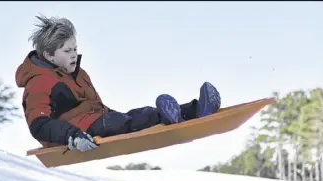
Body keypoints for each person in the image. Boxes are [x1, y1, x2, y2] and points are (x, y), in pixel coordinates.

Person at [15, 15, 221, 153]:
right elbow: (39, 125)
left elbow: (97, 107)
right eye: (67, 51)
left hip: (93, 121)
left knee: (134, 116)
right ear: (48, 55)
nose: (74, 55)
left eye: (75, 49)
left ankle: (195, 110)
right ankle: (169, 116)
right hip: (74, 133)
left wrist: (113, 116)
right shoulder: (40, 82)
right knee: (129, 121)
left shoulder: (79, 73)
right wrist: (73, 137)